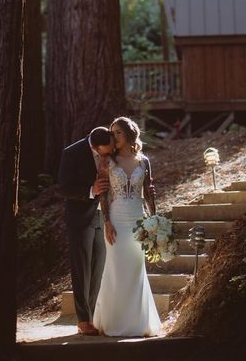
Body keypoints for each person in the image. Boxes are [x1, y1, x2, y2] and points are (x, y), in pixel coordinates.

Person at [93, 116, 162, 337]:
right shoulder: (107, 161)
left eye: (118, 132)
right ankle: (113, 322)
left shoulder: (144, 161)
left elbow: (149, 193)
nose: (113, 137)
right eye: (112, 133)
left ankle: (137, 323)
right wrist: (106, 222)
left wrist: (155, 220)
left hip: (138, 220)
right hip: (116, 219)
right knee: (116, 270)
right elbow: (103, 193)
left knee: (135, 271)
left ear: (129, 133)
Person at [58, 126, 114, 336]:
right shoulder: (71, 153)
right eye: (104, 153)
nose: (107, 156)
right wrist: (91, 190)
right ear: (94, 145)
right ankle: (83, 320)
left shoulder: (108, 148)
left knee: (97, 268)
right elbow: (63, 187)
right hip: (80, 219)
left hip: (103, 217)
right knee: (82, 270)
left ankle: (92, 316)